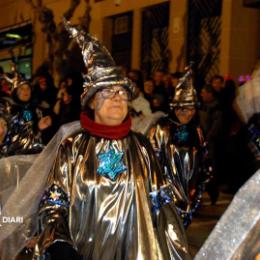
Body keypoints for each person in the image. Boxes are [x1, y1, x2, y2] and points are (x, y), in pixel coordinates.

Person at [0, 18, 190, 260]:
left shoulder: (141, 146)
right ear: (91, 102)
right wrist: (60, 245)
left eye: (121, 92)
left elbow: (163, 208)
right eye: (107, 92)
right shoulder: (72, 147)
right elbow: (54, 206)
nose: (118, 98)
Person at [148, 66, 212, 227]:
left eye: (191, 108)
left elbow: (203, 153)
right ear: (175, 107)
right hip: (166, 195)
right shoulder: (160, 128)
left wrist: (206, 170)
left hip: (189, 192)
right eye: (183, 108)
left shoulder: (196, 129)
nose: (188, 113)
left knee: (182, 230)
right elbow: (151, 159)